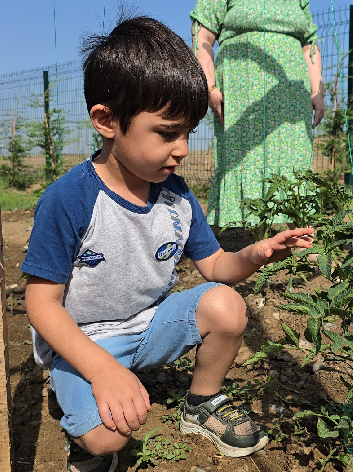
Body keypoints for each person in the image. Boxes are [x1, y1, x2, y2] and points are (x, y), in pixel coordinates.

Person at [21, 16, 314, 471]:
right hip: (85, 341)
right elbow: (41, 306)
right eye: (167, 132)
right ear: (107, 120)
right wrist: (101, 369)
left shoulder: (176, 196)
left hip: (152, 326)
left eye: (188, 133)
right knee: (105, 439)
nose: (182, 150)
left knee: (227, 305)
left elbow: (215, 266)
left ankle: (201, 404)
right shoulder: (69, 200)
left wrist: (256, 254)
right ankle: (84, 416)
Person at [190, 0, 325, 227]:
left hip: (291, 95)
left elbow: (309, 44)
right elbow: (201, 36)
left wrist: (316, 91)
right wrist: (209, 86)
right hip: (242, 90)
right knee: (243, 157)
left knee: (295, 159)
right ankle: (248, 241)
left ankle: (302, 237)